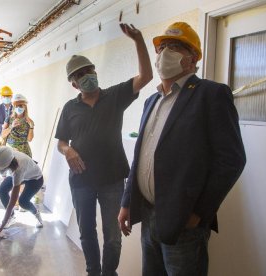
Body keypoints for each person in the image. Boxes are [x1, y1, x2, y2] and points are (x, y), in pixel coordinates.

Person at [118, 22, 246, 276]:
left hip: (184, 222)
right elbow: (141, 157)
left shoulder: (211, 94)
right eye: (162, 47)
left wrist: (199, 213)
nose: (165, 53)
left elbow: (232, 160)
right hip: (149, 214)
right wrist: (127, 202)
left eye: (175, 47)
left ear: (192, 59)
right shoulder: (151, 101)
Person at [55, 23, 153, 276]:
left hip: (112, 179)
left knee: (112, 236)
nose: (87, 75)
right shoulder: (70, 108)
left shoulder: (115, 96)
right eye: (81, 74)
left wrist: (139, 40)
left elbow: (146, 77)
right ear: (74, 84)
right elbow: (61, 142)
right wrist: (68, 151)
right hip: (81, 179)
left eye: (89, 70)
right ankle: (92, 272)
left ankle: (109, 273)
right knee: (86, 231)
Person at [0, 146, 44, 238]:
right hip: (24, 173)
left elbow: (12, 203)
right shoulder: (5, 154)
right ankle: (11, 217)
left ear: (9, 164)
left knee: (23, 202)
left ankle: (36, 213)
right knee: (2, 190)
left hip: (35, 179)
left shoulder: (18, 170)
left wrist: (1, 227)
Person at [1, 93, 34, 157]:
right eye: (16, 106)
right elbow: (3, 135)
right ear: (14, 107)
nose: (18, 108)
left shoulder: (29, 121)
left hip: (24, 153)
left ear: (25, 107)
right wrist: (11, 127)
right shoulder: (9, 119)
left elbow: (29, 139)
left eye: (21, 106)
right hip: (11, 152)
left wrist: (31, 126)